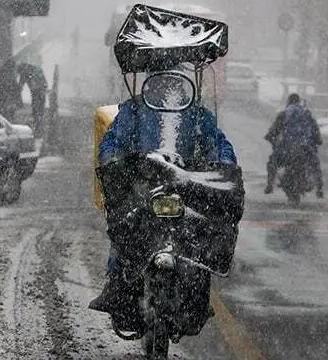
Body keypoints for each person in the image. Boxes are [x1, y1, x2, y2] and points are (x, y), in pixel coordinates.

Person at [88, 73, 238, 315]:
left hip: (185, 186)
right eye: (163, 83)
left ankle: (197, 293)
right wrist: (113, 162)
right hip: (142, 185)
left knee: (200, 236)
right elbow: (113, 142)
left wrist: (224, 164)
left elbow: (218, 144)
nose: (167, 89)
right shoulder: (133, 111)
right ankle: (116, 286)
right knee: (125, 229)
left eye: (172, 84)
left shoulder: (196, 115)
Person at [264, 93, 323, 198]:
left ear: (288, 102)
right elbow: (316, 133)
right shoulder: (307, 114)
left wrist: (271, 138)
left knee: (272, 162)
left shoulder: (284, 114)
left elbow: (273, 132)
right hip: (305, 148)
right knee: (315, 165)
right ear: (299, 102)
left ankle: (270, 185)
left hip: (287, 148)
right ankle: (319, 188)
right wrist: (318, 141)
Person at [16, 62, 48, 130]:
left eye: (19, 72)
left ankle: (37, 124)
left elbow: (21, 85)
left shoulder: (24, 72)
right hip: (41, 91)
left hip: (36, 91)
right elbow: (45, 83)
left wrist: (17, 93)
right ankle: (39, 123)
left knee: (36, 108)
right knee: (40, 109)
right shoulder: (36, 69)